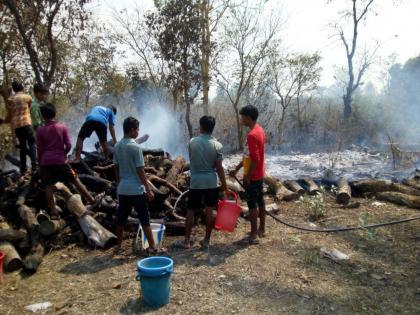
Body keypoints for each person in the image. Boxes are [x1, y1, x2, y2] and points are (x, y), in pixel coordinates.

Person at [177, 116, 228, 249]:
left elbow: (192, 159)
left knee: (191, 210)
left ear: (201, 127)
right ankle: (206, 240)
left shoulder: (192, 142)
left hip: (196, 181)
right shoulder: (217, 145)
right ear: (212, 128)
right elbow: (219, 168)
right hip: (211, 181)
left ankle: (187, 241)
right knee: (209, 210)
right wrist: (224, 185)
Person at [37, 103, 96, 218]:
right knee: (75, 179)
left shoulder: (40, 130)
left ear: (43, 116)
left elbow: (40, 149)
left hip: (45, 162)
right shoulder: (62, 127)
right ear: (55, 113)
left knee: (48, 186)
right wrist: (62, 154)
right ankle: (91, 200)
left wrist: (40, 163)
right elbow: (68, 145)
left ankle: (53, 212)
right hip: (61, 161)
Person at [113, 117, 162, 254]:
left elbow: (116, 167)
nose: (138, 132)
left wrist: (119, 182)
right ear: (132, 130)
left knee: (121, 218)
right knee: (144, 218)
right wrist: (148, 189)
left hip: (123, 189)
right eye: (137, 129)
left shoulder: (117, 146)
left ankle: (118, 247)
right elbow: (140, 170)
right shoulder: (135, 147)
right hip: (136, 189)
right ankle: (153, 247)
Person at [229, 105, 266, 245]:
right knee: (260, 201)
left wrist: (248, 176)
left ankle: (254, 235)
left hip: (253, 175)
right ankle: (261, 229)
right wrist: (237, 169)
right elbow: (248, 156)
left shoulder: (252, 135)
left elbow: (255, 159)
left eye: (243, 116)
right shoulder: (259, 130)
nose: (241, 119)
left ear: (248, 117)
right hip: (260, 173)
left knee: (252, 204)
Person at [7, 81, 37, 173]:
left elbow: (10, 111)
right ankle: (34, 165)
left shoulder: (10, 99)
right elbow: (31, 106)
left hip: (17, 126)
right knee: (32, 144)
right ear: (22, 88)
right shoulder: (27, 97)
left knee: (22, 146)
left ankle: (23, 168)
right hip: (26, 123)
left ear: (14, 89)